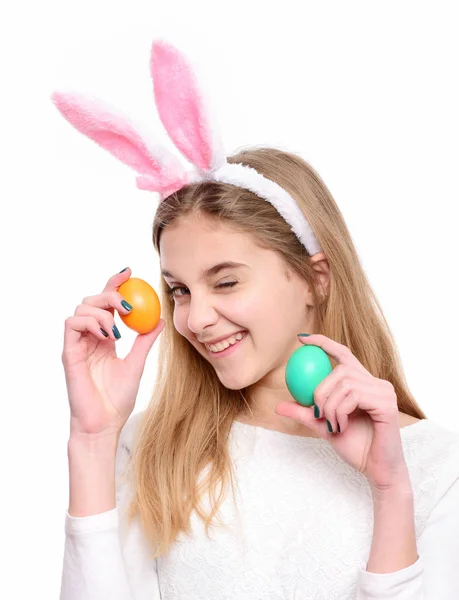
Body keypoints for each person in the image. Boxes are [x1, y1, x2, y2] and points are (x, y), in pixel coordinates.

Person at [55, 40, 459, 600]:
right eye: (178, 290)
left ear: (316, 278)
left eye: (225, 282)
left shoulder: (436, 466)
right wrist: (93, 441)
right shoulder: (154, 449)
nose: (194, 319)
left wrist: (391, 492)